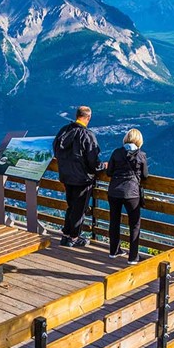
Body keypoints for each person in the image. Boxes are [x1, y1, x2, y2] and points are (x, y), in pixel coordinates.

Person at [53, 106, 102, 247]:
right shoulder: (87, 135)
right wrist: (101, 167)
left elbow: (56, 150)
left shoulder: (64, 131)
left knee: (71, 206)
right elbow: (93, 160)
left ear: (76, 115)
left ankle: (66, 235)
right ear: (88, 118)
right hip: (82, 179)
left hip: (66, 176)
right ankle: (74, 238)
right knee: (79, 209)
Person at [106, 129, 149, 264]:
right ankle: (133, 257)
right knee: (134, 224)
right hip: (132, 193)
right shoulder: (141, 155)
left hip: (114, 192)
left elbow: (109, 172)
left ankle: (114, 251)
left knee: (114, 221)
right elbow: (145, 175)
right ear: (139, 140)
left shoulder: (116, 152)